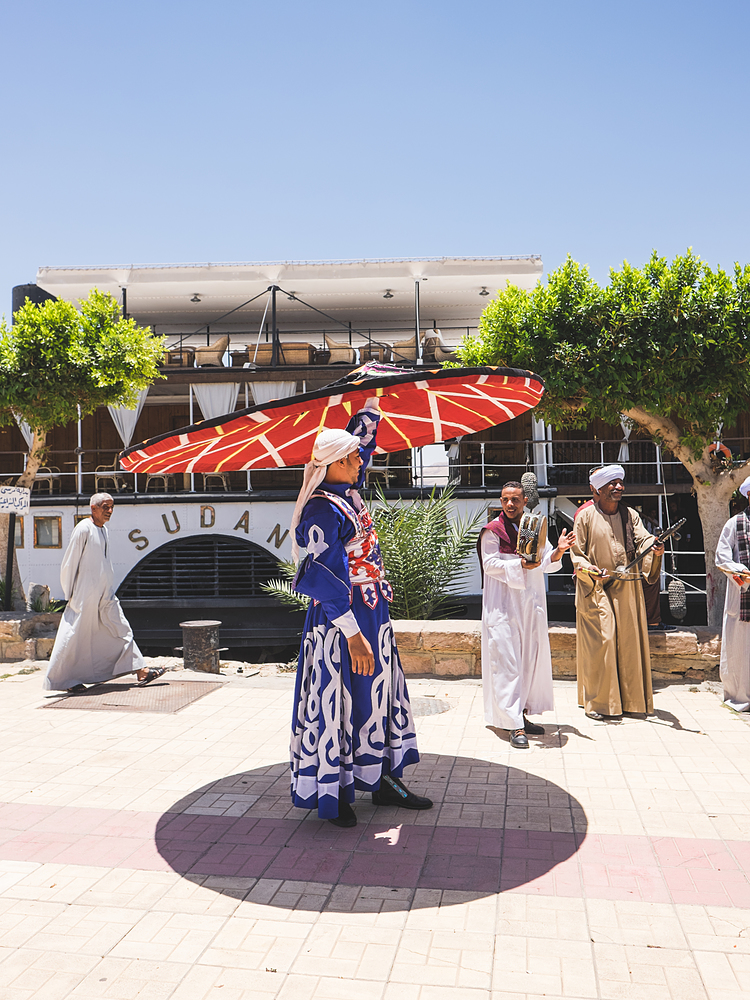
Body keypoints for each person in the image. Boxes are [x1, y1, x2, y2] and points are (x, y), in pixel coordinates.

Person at [289, 398, 432, 827]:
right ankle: (336, 792)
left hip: (374, 615)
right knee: (340, 700)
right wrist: (353, 634)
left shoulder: (346, 492)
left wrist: (373, 404)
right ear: (333, 464)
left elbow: (361, 445)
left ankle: (384, 779)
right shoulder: (320, 509)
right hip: (341, 623)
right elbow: (321, 577)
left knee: (379, 697)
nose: (360, 461)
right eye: (351, 457)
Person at [479, 482, 576, 749]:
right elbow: (490, 565)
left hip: (530, 604)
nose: (510, 504)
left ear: (524, 501)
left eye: (515, 500)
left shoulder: (533, 527)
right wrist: (520, 563)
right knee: (507, 663)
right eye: (505, 500)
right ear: (501, 501)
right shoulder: (492, 531)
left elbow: (544, 563)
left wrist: (559, 551)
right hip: (502, 606)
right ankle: (513, 725)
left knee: (527, 662)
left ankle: (519, 713)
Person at [571, 465, 664, 720]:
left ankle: (631, 702)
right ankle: (598, 703)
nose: (618, 487)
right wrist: (590, 570)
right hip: (596, 588)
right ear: (596, 489)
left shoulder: (630, 514)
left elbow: (643, 538)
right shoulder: (585, 516)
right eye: (612, 483)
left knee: (628, 644)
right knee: (604, 641)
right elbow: (576, 554)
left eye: (620, 482)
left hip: (627, 587)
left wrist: (653, 548)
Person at [44, 494, 163, 693]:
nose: (109, 511)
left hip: (105, 594)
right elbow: (70, 563)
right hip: (84, 595)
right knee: (75, 636)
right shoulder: (83, 529)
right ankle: (63, 680)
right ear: (94, 508)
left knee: (121, 627)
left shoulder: (104, 530)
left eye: (112, 507)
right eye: (106, 507)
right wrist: (71, 594)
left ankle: (140, 670)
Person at [715, 476, 750, 711]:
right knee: (741, 650)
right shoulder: (734, 523)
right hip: (743, 596)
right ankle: (741, 698)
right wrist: (743, 572)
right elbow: (722, 557)